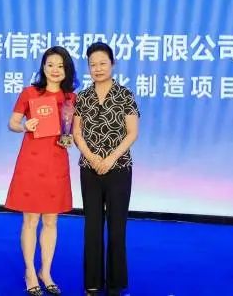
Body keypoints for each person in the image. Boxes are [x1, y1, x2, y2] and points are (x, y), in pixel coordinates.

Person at [5, 46, 78, 296]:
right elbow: (12, 123)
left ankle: (45, 272)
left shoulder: (71, 98)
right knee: (31, 220)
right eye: (50, 65)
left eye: (60, 66)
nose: (55, 70)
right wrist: (25, 126)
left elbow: (74, 131)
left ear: (67, 70)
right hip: (32, 163)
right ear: (43, 67)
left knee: (51, 220)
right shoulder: (30, 93)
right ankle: (29, 271)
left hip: (57, 162)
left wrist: (73, 139)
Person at [72, 42, 140, 296]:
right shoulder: (83, 97)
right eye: (93, 64)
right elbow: (77, 133)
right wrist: (91, 157)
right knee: (92, 226)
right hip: (89, 169)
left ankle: (114, 284)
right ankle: (92, 282)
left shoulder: (125, 95)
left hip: (119, 168)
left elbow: (132, 133)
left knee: (116, 227)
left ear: (112, 64)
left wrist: (110, 158)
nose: (98, 68)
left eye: (102, 63)